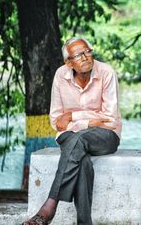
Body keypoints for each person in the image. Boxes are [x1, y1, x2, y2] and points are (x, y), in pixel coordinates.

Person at [23, 37, 122, 225]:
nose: (85, 57)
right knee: (81, 158)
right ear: (69, 62)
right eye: (78, 55)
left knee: (78, 141)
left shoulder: (106, 72)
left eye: (88, 51)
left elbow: (108, 118)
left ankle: (49, 207)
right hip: (69, 135)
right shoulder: (61, 75)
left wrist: (72, 117)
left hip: (106, 135)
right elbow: (56, 120)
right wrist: (89, 119)